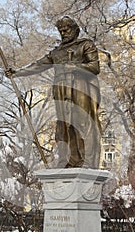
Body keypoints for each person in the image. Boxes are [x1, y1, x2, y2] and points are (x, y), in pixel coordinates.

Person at [6, 16, 101, 168]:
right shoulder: (57, 52)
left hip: (80, 85)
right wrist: (17, 73)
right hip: (60, 88)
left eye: (66, 30)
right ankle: (70, 160)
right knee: (64, 125)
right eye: (61, 31)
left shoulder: (85, 45)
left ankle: (88, 161)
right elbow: (38, 65)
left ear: (75, 29)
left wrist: (75, 67)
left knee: (82, 122)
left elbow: (95, 67)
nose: (63, 33)